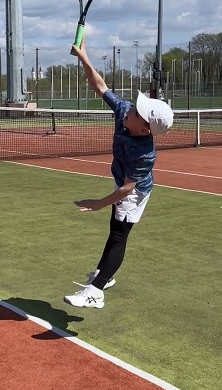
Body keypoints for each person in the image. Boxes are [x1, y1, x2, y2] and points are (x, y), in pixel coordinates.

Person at [64, 38, 173, 309]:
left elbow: (127, 188)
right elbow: (100, 85)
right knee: (115, 230)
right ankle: (104, 276)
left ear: (146, 129)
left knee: (119, 235)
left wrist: (97, 204)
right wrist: (84, 57)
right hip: (122, 180)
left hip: (134, 191)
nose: (131, 109)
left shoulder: (144, 152)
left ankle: (96, 291)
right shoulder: (125, 112)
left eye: (139, 112)